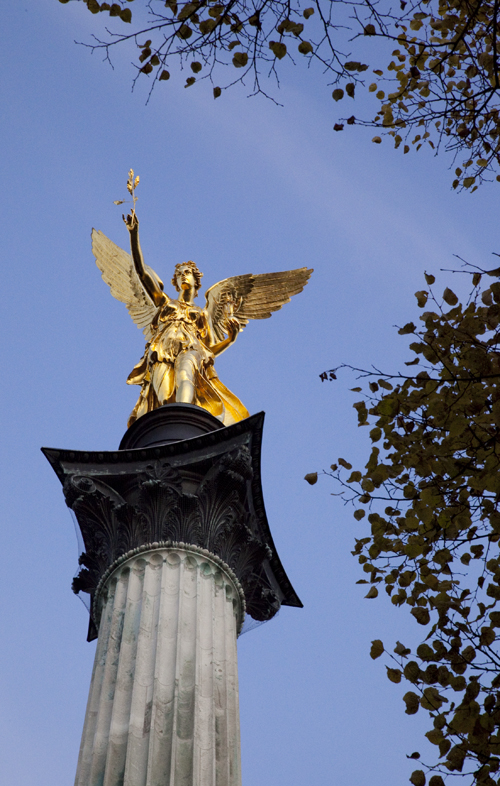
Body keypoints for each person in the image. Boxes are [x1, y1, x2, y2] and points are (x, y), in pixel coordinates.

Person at [123, 211, 249, 427]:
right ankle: (173, 428)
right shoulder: (165, 302)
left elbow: (208, 349)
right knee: (164, 399)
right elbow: (142, 274)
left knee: (185, 377)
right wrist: (134, 235)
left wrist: (231, 339)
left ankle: (185, 420)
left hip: (191, 349)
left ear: (195, 279)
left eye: (187, 272)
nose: (183, 275)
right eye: (180, 273)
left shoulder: (201, 313)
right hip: (162, 351)